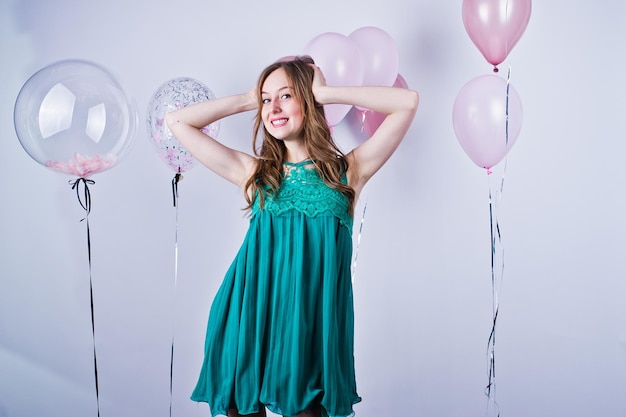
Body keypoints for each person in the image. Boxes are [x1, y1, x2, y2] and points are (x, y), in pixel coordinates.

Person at [166, 55, 418, 417]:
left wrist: (326, 92)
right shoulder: (254, 173)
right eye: (266, 100)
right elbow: (177, 121)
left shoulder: (348, 171)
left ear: (308, 99)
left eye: (285, 95)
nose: (273, 107)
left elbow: (407, 102)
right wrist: (249, 97)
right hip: (247, 318)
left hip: (309, 332)